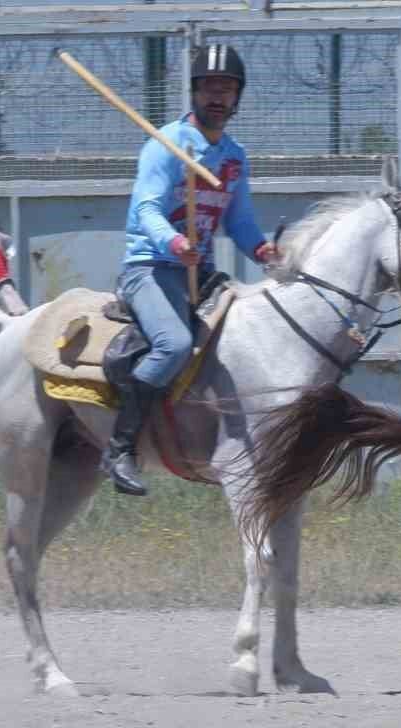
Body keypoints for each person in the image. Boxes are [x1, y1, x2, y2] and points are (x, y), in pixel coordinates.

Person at [106, 43, 279, 496]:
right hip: (151, 265)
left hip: (198, 271)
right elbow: (146, 208)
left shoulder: (234, 158)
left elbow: (238, 221)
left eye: (226, 88)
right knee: (174, 343)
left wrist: (262, 250)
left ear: (238, 96)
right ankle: (121, 448)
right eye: (208, 87)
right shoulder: (165, 145)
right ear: (194, 92)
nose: (217, 97)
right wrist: (175, 241)